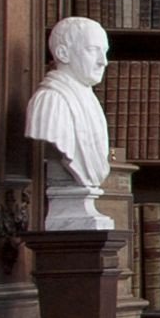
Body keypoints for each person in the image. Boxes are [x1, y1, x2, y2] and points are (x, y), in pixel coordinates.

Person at [26, 15, 113, 230]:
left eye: (104, 51)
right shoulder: (50, 101)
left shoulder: (89, 101)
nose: (103, 61)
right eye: (93, 50)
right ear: (63, 53)